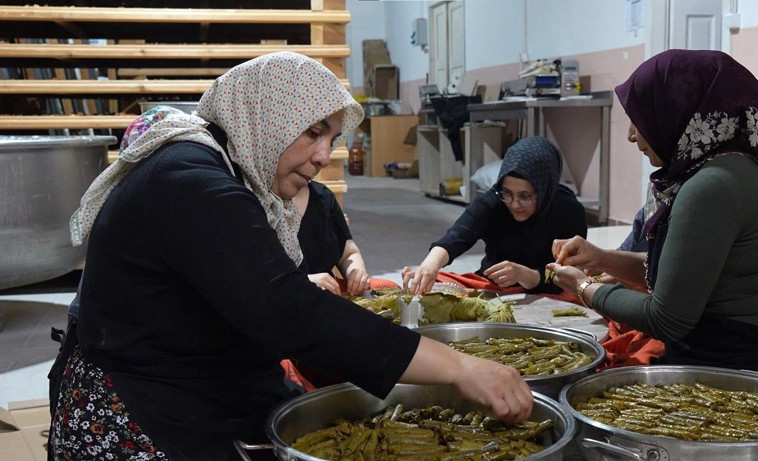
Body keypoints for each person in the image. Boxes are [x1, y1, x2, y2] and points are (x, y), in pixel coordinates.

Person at [48, 52, 532, 460]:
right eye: (313, 132)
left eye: (332, 139)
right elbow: (288, 313)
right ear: (268, 116)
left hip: (192, 377)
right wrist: (459, 367)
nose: (324, 156)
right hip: (139, 407)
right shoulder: (190, 181)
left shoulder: (221, 168)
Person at [547, 49, 758, 390]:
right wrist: (603, 259)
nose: (632, 135)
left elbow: (666, 318)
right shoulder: (746, 165)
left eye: (640, 118)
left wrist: (583, 287)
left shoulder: (711, 186)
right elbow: (692, 272)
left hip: (752, 374)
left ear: (678, 113)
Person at [403, 136, 588, 295]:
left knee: (589, 294)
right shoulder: (494, 201)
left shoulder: (569, 212)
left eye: (525, 196)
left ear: (544, 190)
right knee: (437, 284)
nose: (515, 204)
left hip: (549, 289)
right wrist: (430, 265)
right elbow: (458, 235)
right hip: (494, 285)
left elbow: (567, 278)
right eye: (507, 193)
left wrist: (524, 274)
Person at [293, 180, 372, 295]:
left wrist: (355, 273)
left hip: (327, 300)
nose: (323, 162)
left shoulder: (323, 196)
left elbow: (348, 253)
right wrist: (304, 282)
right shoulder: (261, 204)